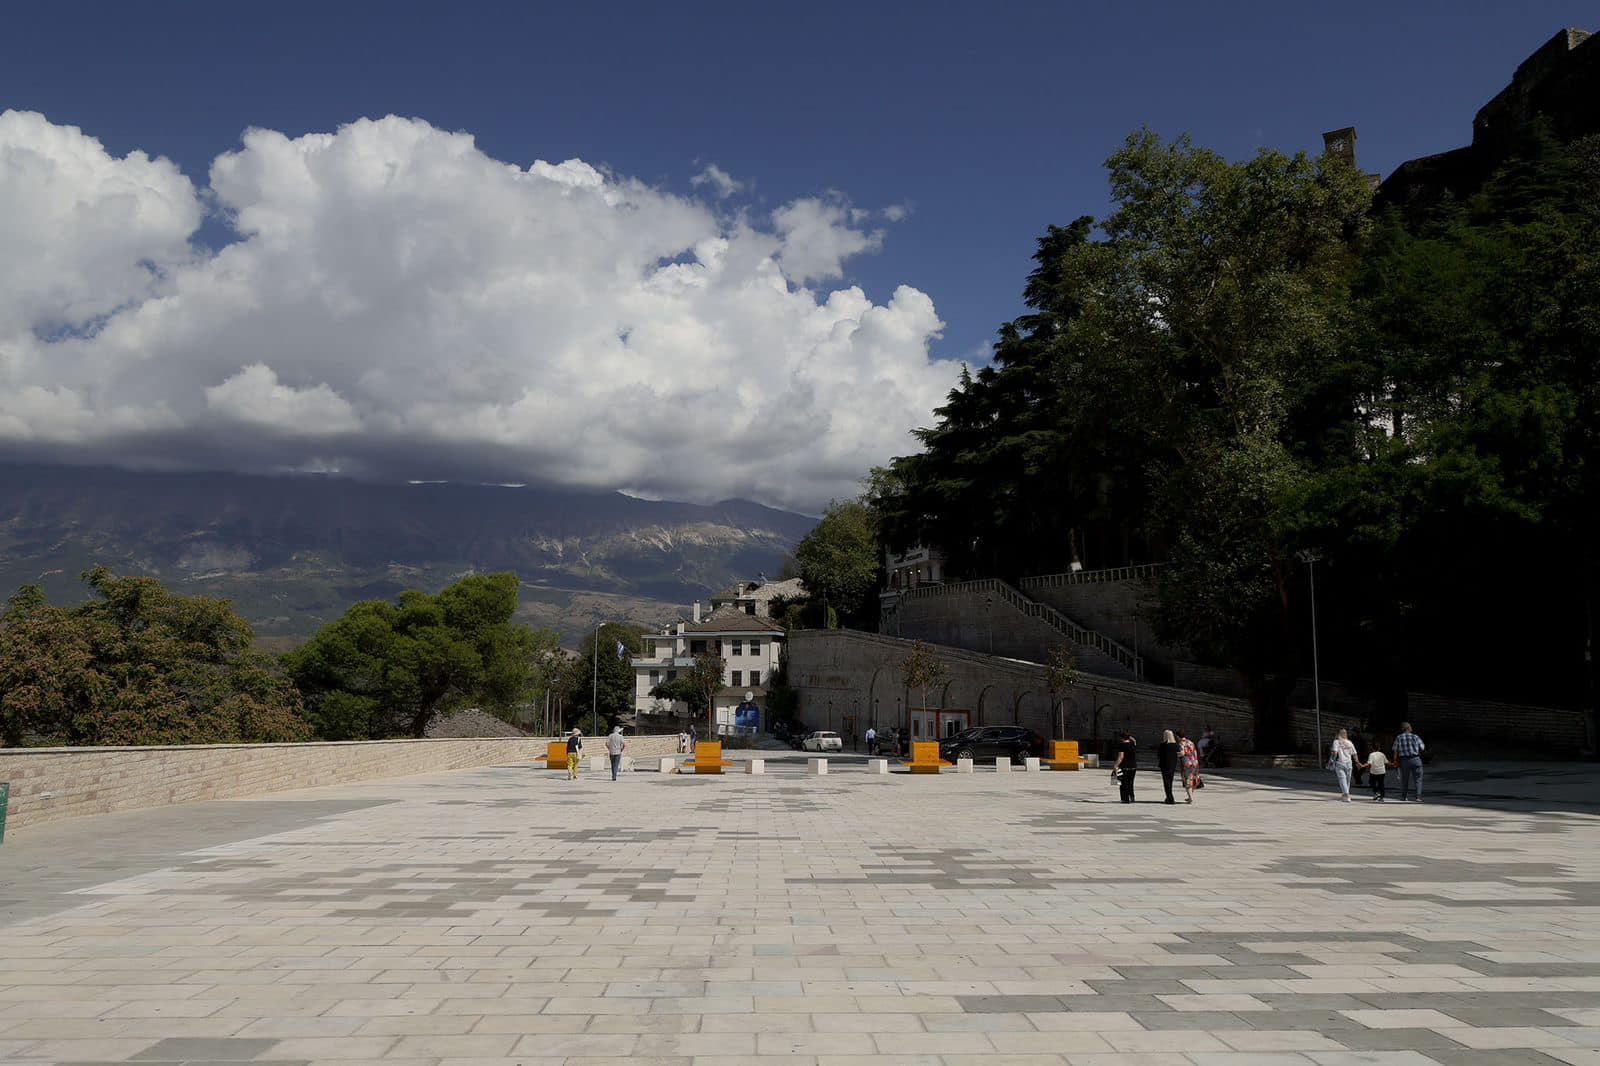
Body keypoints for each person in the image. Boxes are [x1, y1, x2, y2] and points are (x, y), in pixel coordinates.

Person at [1393, 722, 1425, 801]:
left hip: (1404, 760)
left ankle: (1404, 797)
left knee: (1405, 779)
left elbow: (1395, 750)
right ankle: (1418, 797)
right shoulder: (1415, 737)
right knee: (1418, 779)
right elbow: (1422, 747)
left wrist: (1395, 761)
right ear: (1408, 728)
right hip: (1415, 759)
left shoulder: (1399, 737)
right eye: (1410, 727)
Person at [1327, 728, 1357, 802]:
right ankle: (1345, 795)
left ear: (1337, 734)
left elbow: (1335, 753)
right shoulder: (1349, 742)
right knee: (1347, 780)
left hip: (1340, 762)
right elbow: (1354, 753)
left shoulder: (1336, 742)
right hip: (1349, 763)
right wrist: (1357, 762)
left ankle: (1346, 794)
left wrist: (1331, 761)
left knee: (1342, 779)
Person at [1112, 730, 1138, 803]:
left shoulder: (1122, 745)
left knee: (1123, 783)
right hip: (1133, 766)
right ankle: (1132, 797)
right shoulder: (1133, 744)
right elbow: (1134, 740)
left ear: (1122, 738)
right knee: (1130, 782)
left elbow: (1121, 757)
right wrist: (1130, 737)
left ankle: (1125, 798)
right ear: (1128, 737)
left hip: (1124, 766)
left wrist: (1115, 765)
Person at [1157, 729, 1180, 804]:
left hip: (1164, 765)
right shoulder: (1176, 745)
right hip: (1172, 765)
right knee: (1170, 781)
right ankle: (1169, 797)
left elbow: (1159, 755)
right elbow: (1178, 754)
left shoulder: (1163, 745)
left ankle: (1170, 798)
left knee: (1166, 782)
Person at [1177, 729, 1200, 803]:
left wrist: (1176, 754)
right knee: (1192, 779)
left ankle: (1190, 798)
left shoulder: (1181, 743)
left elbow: (1182, 753)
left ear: (1178, 736)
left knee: (1187, 780)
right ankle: (1190, 796)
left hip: (1187, 764)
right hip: (1195, 762)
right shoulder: (1190, 742)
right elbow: (1195, 752)